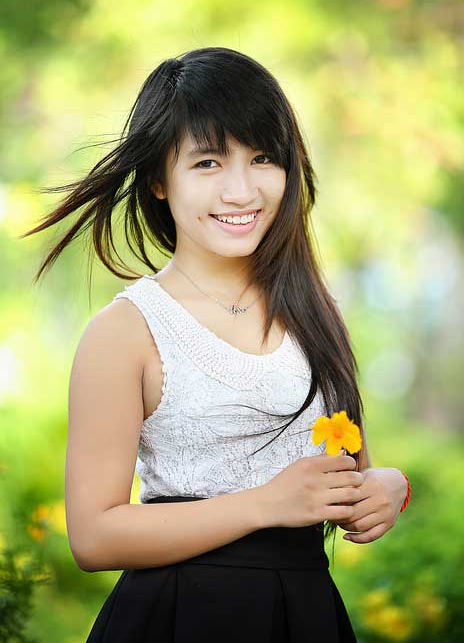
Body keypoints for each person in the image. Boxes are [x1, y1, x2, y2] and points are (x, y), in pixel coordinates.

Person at [21, 46, 410, 642]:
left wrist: (387, 487)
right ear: (157, 179)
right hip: (179, 618)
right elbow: (94, 537)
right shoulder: (125, 332)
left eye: (262, 159)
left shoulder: (315, 310)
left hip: (305, 616)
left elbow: (346, 472)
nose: (241, 191)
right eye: (208, 164)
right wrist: (265, 505)